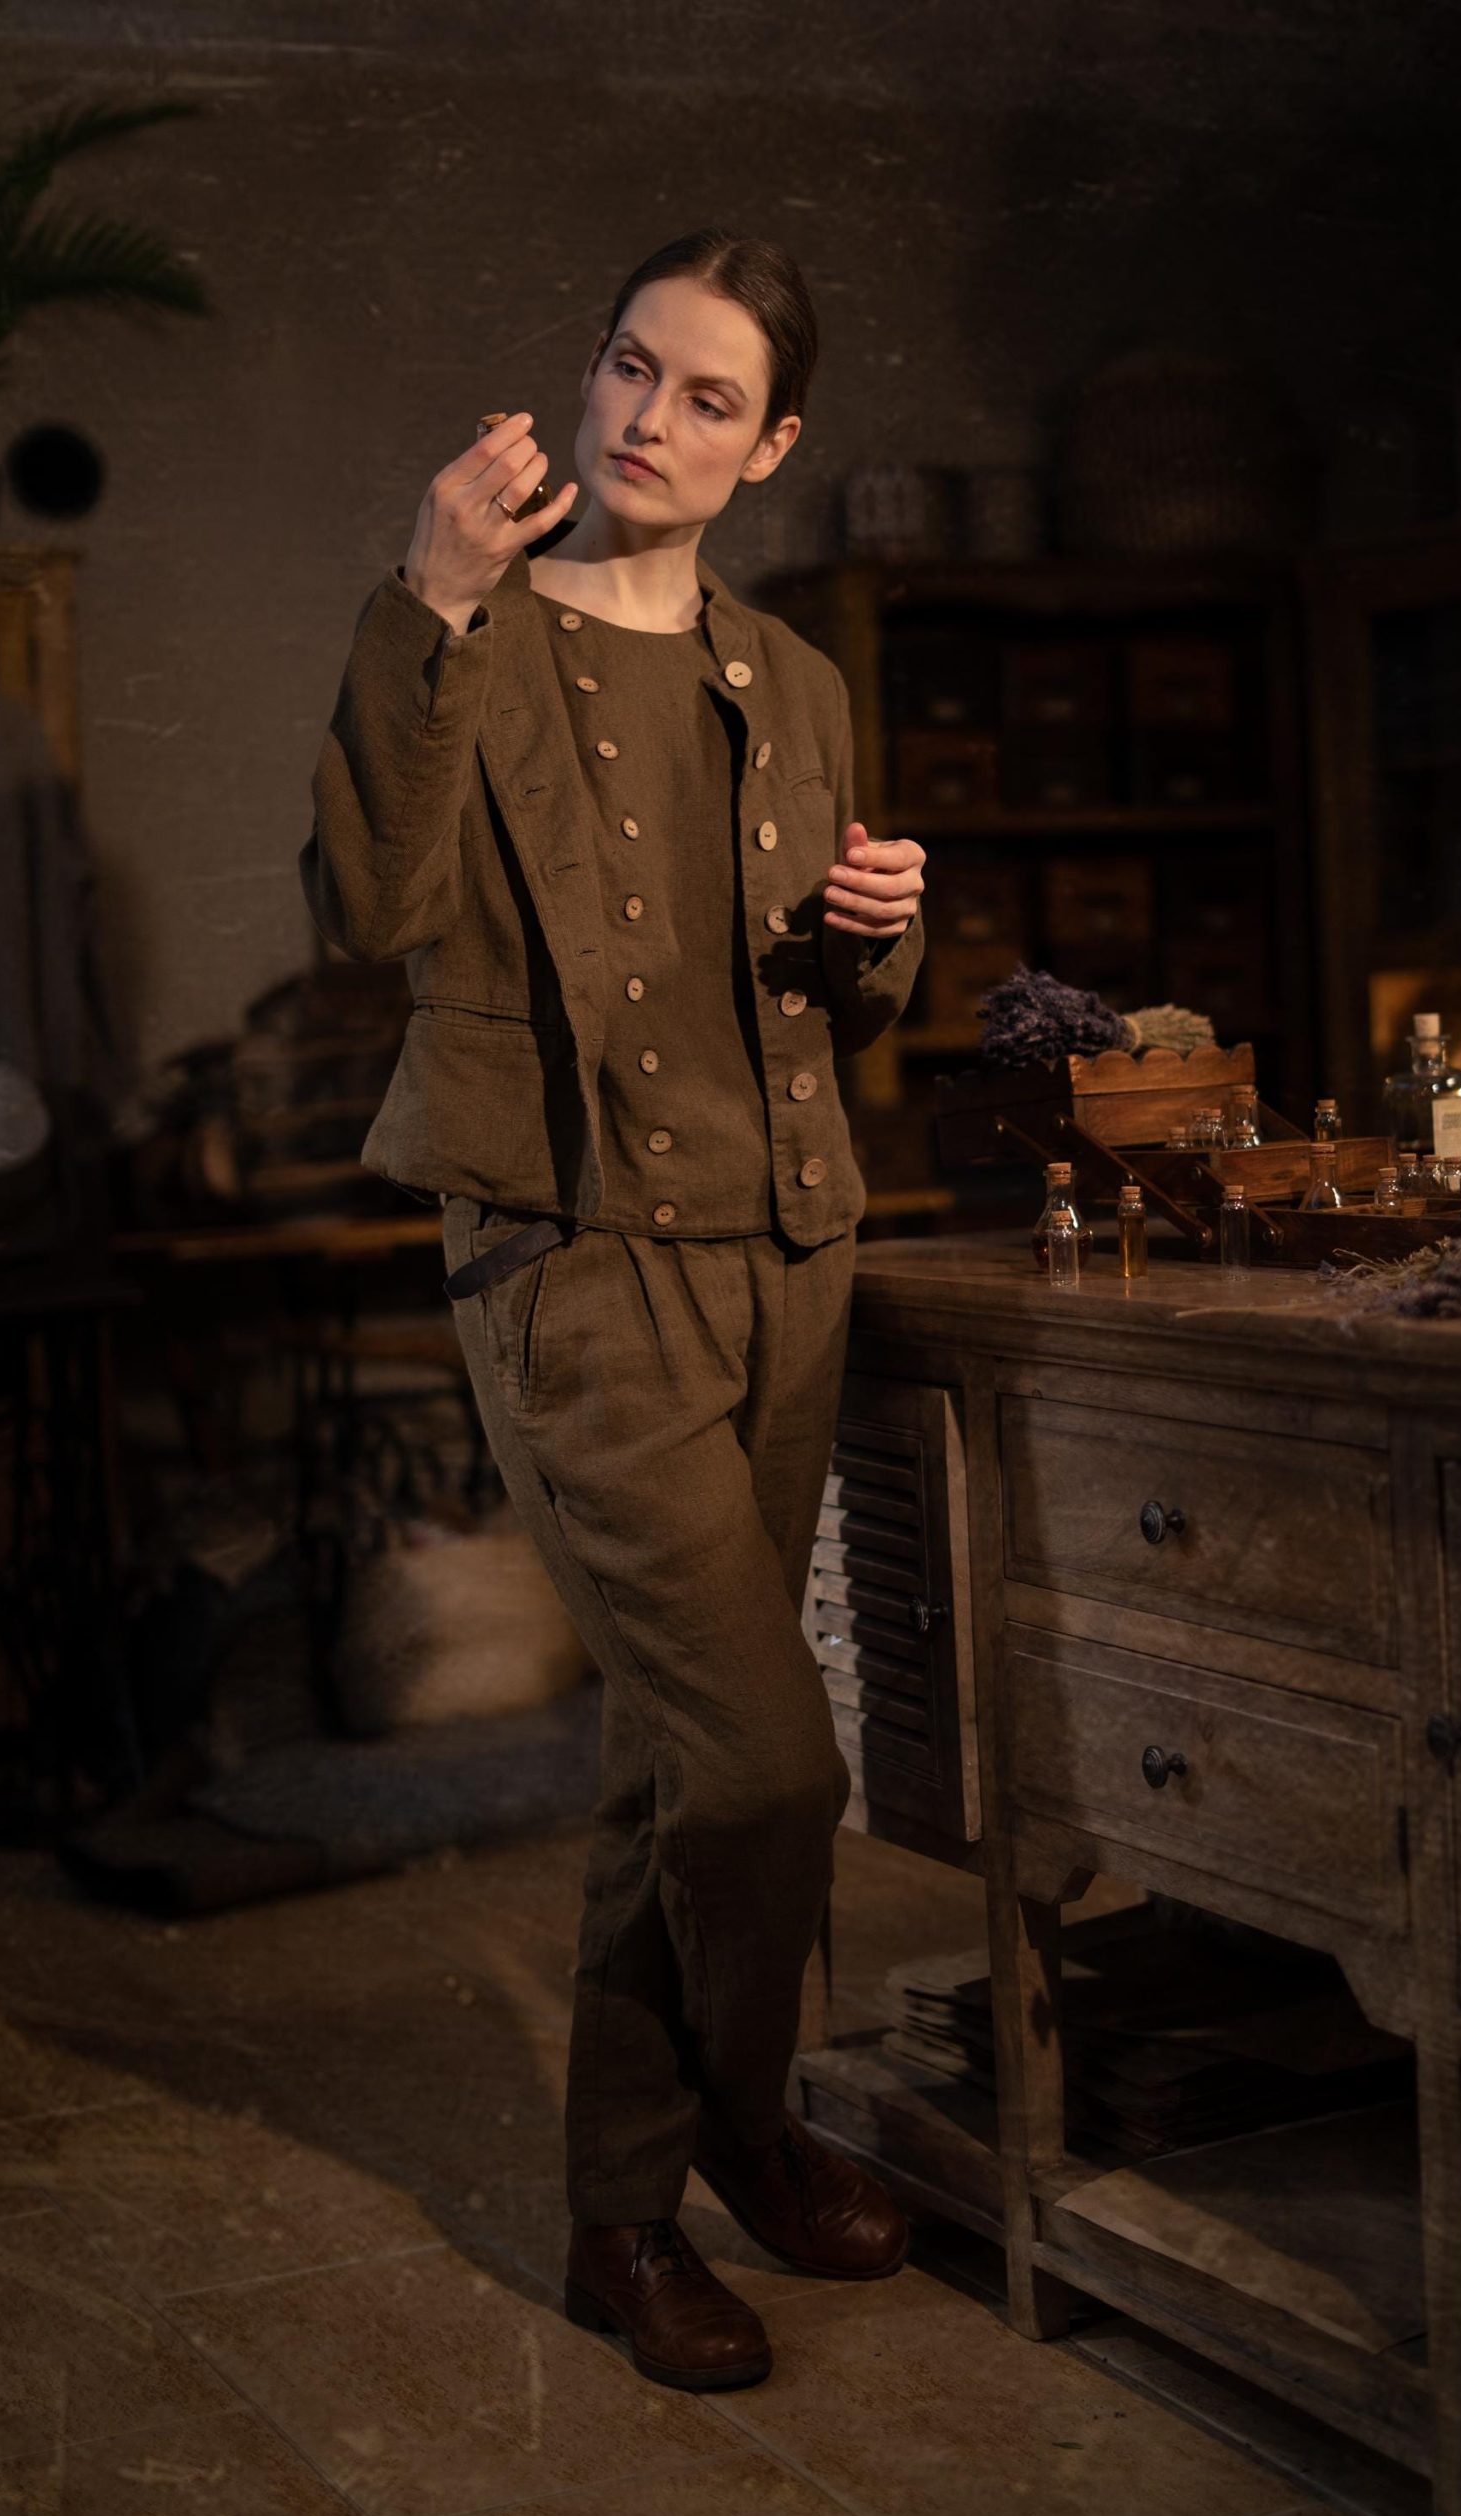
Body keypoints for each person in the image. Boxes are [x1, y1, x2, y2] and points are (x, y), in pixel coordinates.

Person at [300, 231, 927, 2394]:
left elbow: (834, 1018)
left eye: (698, 398)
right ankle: (698, 2150)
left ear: (771, 448)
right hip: (565, 1256)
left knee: (687, 1758)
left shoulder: (794, 675)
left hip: (787, 1250)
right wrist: (428, 590)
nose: (641, 421)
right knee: (766, 1762)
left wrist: (880, 931)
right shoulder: (467, 631)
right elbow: (363, 909)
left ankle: (655, 2189)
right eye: (626, 367)